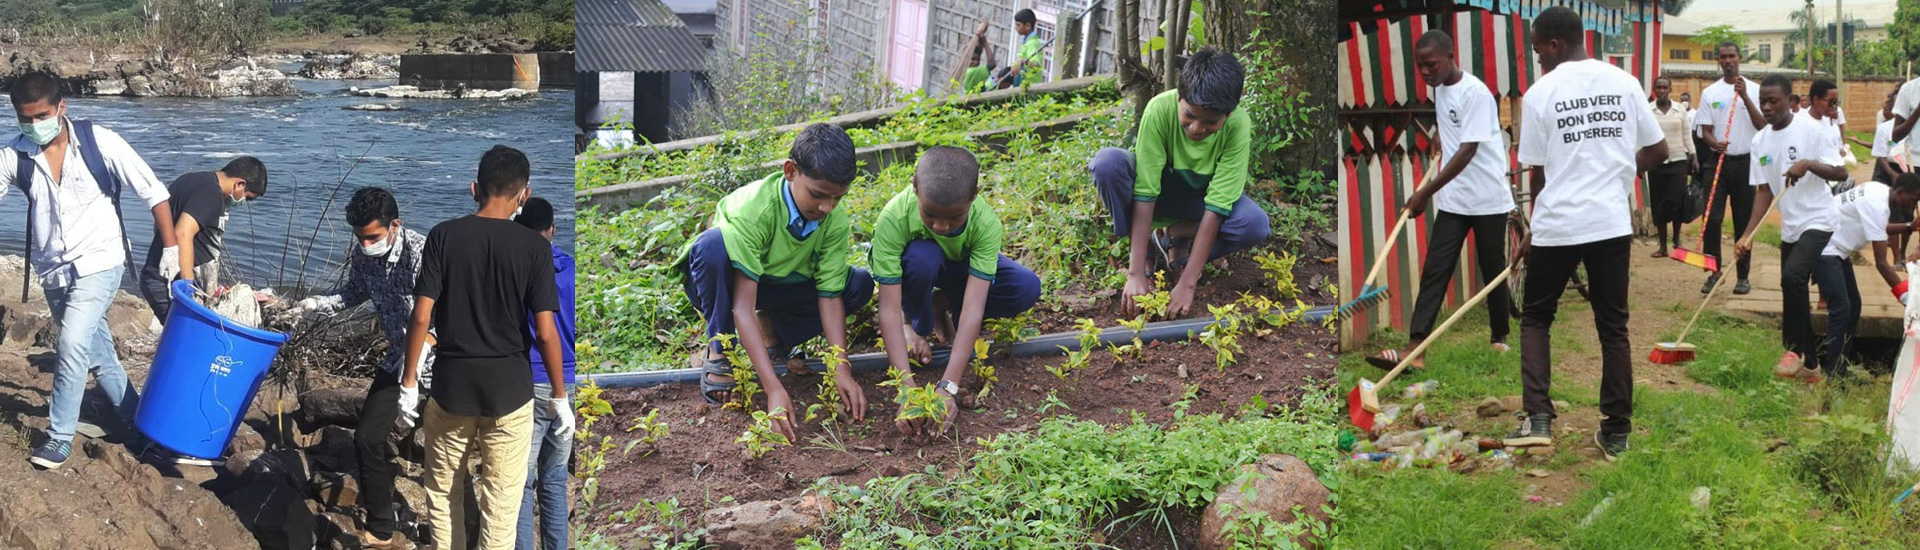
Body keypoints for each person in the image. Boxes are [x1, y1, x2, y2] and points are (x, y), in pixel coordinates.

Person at [1505, 6, 1667, 461]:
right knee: (1613, 326)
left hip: (1559, 223)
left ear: (1554, 45)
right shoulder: (1625, 82)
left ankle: (1537, 418)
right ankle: (1616, 432)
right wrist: (1617, 175)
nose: (1538, 60)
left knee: (1537, 317)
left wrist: (1535, 229)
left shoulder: (1541, 93)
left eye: (1538, 51)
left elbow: (1538, 175)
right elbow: (1659, 149)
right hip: (1610, 223)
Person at [3, 72, 179, 470]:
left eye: (42, 116)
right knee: (99, 357)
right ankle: (139, 430)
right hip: (53, 270)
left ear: (61, 108)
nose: (34, 126)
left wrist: (170, 247)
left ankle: (58, 436)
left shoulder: (100, 141)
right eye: (25, 119)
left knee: (70, 344)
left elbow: (154, 192)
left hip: (101, 262)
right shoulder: (15, 155)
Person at [399, 146, 569, 550]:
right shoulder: (535, 249)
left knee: (442, 495)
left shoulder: (443, 235)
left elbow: (420, 317)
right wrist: (560, 397)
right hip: (510, 392)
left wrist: (408, 384)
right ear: (523, 195)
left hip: (452, 387)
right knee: (502, 505)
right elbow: (546, 334)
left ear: (474, 188)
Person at [678, 123, 874, 441]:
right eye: (818, 195)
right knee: (711, 246)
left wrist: (842, 368)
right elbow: (742, 305)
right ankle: (720, 349)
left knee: (859, 284)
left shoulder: (833, 217)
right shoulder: (755, 210)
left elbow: (829, 294)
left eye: (837, 198)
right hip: (725, 288)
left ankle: (771, 331)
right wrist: (774, 389)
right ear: (790, 170)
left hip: (782, 287)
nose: (826, 207)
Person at [289, 187, 433, 548]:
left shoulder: (422, 253)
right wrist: (311, 304)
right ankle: (383, 527)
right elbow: (352, 294)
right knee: (367, 437)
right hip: (397, 358)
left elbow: (448, 315)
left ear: (394, 225)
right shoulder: (365, 255)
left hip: (438, 361)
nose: (366, 244)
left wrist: (418, 369)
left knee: (446, 447)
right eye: (360, 237)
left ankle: (450, 527)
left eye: (373, 236)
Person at [1364, 30, 1512, 370]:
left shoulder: (1475, 92)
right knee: (1435, 269)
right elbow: (1454, 132)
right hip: (1455, 200)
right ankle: (1416, 348)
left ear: (1450, 56)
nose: (1426, 73)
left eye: (1430, 65)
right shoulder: (1441, 89)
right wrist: (1437, 137)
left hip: (1488, 198)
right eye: (1420, 67)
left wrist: (1422, 194)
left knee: (1492, 268)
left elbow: (1468, 150)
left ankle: (1499, 336)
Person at [1089, 47, 1271, 318]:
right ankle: (1144, 254)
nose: (1197, 128)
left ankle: (1174, 237)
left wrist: (1188, 283)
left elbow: (1218, 205)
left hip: (1199, 201)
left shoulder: (1238, 126)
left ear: (1229, 114)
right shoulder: (1159, 110)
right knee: (1107, 164)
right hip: (1160, 194)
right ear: (1179, 98)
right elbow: (1145, 190)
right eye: (1189, 115)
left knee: (1255, 224)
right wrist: (1136, 272)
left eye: (1211, 122)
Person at [871, 146, 1041, 435]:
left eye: (954, 218)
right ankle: (914, 322)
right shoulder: (893, 219)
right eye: (930, 215)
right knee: (922, 259)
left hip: (959, 267)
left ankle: (940, 304)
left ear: (973, 197)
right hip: (919, 267)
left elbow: (975, 307)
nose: (940, 225)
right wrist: (906, 390)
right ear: (914, 188)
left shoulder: (985, 222)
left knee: (1026, 287)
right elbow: (886, 307)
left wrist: (948, 387)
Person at [1732, 76, 1849, 385]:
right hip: (1791, 225)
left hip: (1820, 219)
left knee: (1793, 276)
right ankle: (1811, 365)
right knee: (1790, 288)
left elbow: (1841, 171)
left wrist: (1808, 164)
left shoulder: (1811, 130)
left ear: (1790, 99)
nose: (1768, 108)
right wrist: (1746, 235)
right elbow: (1763, 192)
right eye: (1763, 103)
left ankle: (1794, 350)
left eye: (1774, 101)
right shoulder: (1760, 142)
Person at [1812, 173, 1920, 379]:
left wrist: (1908, 227)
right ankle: (1833, 371)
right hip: (1824, 247)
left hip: (1836, 248)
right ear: (1900, 192)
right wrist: (1907, 298)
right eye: (1913, 199)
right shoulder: (1877, 206)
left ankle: (1840, 364)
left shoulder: (1878, 190)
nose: (1913, 205)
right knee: (1842, 309)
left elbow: (1877, 227)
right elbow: (1881, 263)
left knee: (1854, 306)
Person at [513, 197, 574, 550]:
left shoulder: (518, 271)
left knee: (521, 482)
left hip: (531, 381)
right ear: (552, 229)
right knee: (554, 479)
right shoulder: (571, 268)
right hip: (569, 384)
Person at [138, 156, 267, 323]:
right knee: (188, 340)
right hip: (169, 284)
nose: (245, 203)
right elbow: (182, 233)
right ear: (239, 184)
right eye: (248, 198)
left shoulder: (189, 180)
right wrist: (187, 287)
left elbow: (160, 224)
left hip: (159, 277)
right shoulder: (211, 193)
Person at [1695, 42, 1767, 295]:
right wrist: (1715, 143)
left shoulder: (1756, 90)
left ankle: (1742, 276)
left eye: (1732, 57)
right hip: (1718, 162)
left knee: (1743, 221)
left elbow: (1762, 126)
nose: (1728, 61)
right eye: (1723, 57)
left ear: (1740, 58)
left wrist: (1745, 96)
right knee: (1712, 218)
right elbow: (1704, 130)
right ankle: (1714, 272)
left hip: (1746, 162)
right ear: (1718, 60)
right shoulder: (1710, 93)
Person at [1648, 76, 1697, 258]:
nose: (1661, 91)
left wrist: (1693, 155)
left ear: (1670, 89)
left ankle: (1676, 239)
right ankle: (1662, 246)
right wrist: (1640, 162)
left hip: (1678, 160)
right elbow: (1642, 136)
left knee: (1677, 201)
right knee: (1659, 204)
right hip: (1656, 162)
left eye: (1664, 88)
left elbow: (1687, 134)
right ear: (1654, 89)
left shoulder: (1680, 109)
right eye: (1658, 88)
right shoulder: (1648, 110)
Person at [950, 20, 997, 95]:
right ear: (967, 59)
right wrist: (985, 42)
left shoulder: (966, 70)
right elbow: (992, 64)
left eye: (978, 59)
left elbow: (979, 48)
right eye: (973, 59)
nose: (976, 62)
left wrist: (981, 33)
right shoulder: (971, 72)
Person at [1008, 9, 1045, 87]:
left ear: (1027, 26)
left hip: (1030, 87)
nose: (1015, 28)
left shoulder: (1033, 43)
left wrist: (1022, 61)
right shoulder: (1027, 41)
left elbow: (1036, 64)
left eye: (1018, 25)